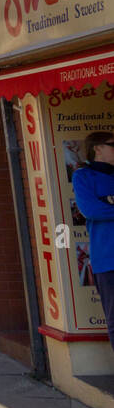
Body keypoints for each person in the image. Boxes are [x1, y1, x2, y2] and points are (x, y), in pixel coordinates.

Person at [72, 131, 114, 351]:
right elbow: (91, 210)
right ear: (97, 148)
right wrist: (104, 204)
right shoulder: (83, 177)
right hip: (108, 259)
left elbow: (102, 208)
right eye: (112, 144)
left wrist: (109, 203)